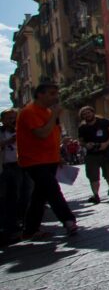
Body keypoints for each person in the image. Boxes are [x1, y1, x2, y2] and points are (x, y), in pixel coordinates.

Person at [16, 83, 78, 239]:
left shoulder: (48, 112)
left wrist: (58, 156)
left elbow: (53, 136)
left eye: (56, 93)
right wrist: (54, 116)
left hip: (49, 159)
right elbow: (42, 134)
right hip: (34, 160)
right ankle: (68, 220)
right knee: (52, 189)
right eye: (51, 93)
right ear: (40, 95)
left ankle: (30, 229)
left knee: (40, 195)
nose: (55, 97)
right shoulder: (29, 112)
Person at [77, 106, 109, 204]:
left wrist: (106, 144)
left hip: (106, 152)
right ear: (82, 116)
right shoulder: (82, 127)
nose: (87, 115)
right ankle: (96, 195)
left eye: (88, 112)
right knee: (92, 175)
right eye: (84, 114)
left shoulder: (104, 122)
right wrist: (86, 145)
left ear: (93, 112)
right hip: (91, 154)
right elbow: (81, 141)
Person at [1, 109, 31, 242]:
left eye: (14, 117)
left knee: (27, 194)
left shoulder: (23, 130)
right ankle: (13, 226)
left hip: (26, 164)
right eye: (9, 118)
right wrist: (9, 141)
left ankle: (25, 221)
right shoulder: (1, 132)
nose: (12, 120)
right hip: (9, 167)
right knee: (13, 197)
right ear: (2, 120)